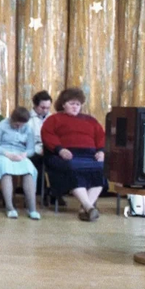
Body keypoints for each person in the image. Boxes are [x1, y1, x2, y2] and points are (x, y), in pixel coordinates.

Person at [41, 88, 106, 221]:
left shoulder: (91, 120)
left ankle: (86, 208)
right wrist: (60, 149)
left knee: (103, 169)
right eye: (72, 103)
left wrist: (101, 151)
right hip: (66, 154)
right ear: (63, 104)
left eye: (78, 104)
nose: (75, 106)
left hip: (90, 155)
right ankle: (88, 206)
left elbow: (101, 137)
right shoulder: (54, 119)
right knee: (73, 168)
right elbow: (47, 136)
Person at [0, 107, 40, 219]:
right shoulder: (1, 125)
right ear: (12, 119)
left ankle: (32, 209)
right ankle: (10, 208)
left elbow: (31, 149)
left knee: (29, 170)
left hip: (20, 154)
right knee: (5, 170)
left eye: (22, 125)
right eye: (16, 124)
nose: (19, 127)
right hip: (2, 153)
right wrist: (7, 154)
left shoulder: (28, 128)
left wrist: (24, 154)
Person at [27, 90, 62, 205]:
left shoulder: (53, 119)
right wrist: (38, 149)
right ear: (35, 106)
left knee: (58, 163)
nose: (45, 110)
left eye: (48, 108)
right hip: (33, 149)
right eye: (42, 107)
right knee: (38, 163)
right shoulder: (27, 119)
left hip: (50, 148)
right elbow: (24, 139)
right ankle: (41, 192)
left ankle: (56, 193)